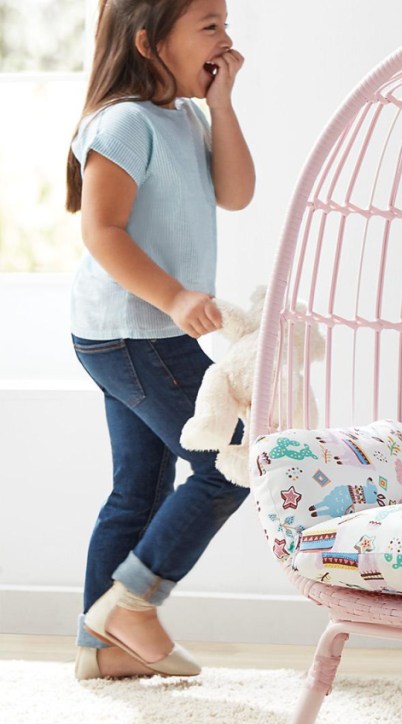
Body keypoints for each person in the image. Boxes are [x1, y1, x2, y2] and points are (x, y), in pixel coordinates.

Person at [64, 0, 254, 680]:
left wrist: (223, 106)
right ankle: (133, 603)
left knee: (139, 489)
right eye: (209, 25)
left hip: (133, 333)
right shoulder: (123, 123)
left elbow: (235, 193)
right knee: (232, 460)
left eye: (225, 23)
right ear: (150, 43)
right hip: (132, 331)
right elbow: (102, 231)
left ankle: (103, 646)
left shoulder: (187, 118)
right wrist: (175, 296)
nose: (226, 38)